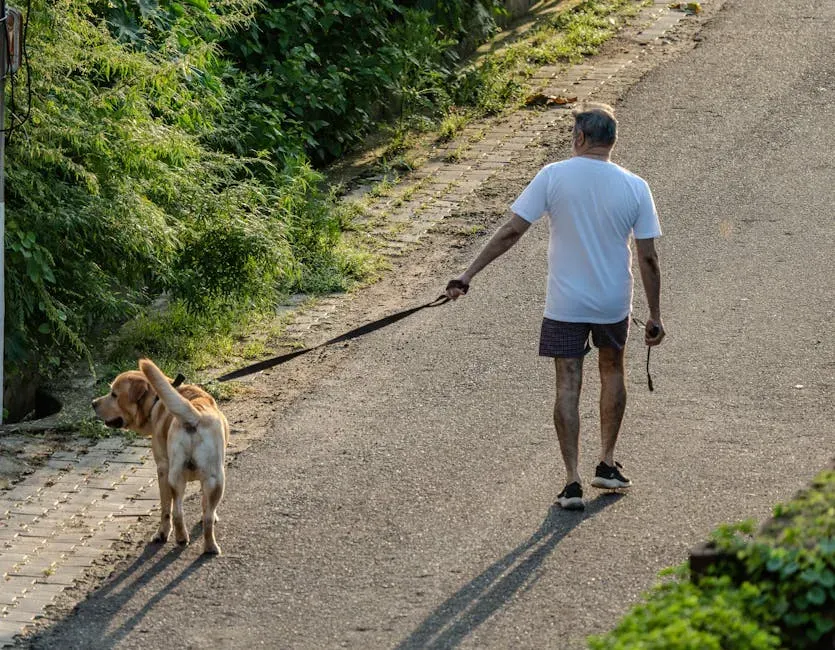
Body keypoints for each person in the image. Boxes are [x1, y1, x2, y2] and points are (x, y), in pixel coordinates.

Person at [446, 103, 665, 510]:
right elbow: (648, 256)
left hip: (565, 302)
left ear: (580, 137)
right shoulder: (636, 186)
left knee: (568, 383)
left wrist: (467, 275)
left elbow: (512, 231)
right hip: (612, 302)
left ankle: (572, 480)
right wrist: (654, 314)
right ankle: (607, 462)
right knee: (613, 370)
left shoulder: (553, 176)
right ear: (611, 140)